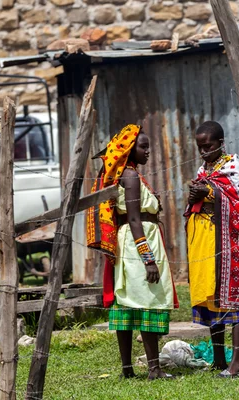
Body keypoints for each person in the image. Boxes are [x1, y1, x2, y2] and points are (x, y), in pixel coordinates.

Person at [87, 124, 178, 380]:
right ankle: (154, 369)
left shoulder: (129, 175)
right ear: (129, 149)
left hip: (131, 241)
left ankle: (128, 369)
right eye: (143, 146)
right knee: (147, 298)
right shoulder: (131, 177)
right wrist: (148, 259)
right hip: (139, 242)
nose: (148, 151)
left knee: (126, 302)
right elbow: (135, 219)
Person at [185, 121, 239, 378]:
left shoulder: (232, 166)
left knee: (235, 301)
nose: (203, 151)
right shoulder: (204, 169)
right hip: (206, 241)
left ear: (221, 143)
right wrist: (195, 197)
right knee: (213, 300)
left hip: (232, 243)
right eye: (200, 147)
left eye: (208, 146)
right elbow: (201, 199)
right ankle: (219, 359)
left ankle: (236, 363)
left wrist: (211, 192)